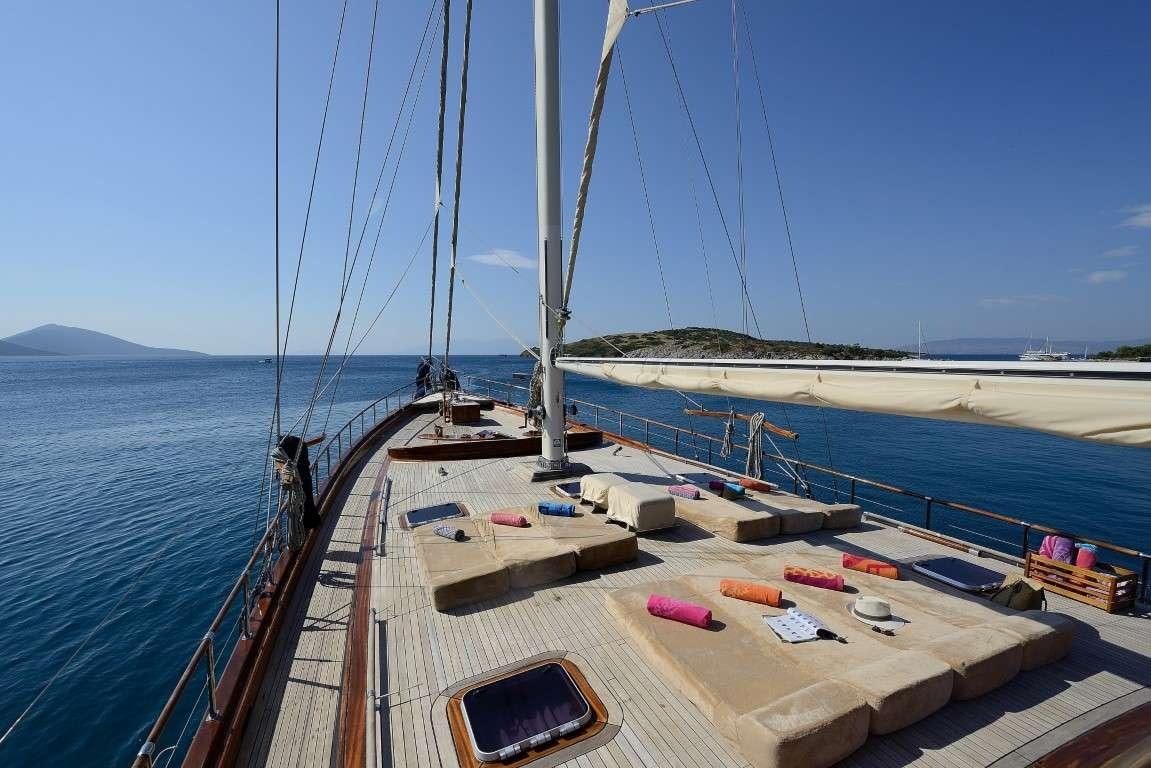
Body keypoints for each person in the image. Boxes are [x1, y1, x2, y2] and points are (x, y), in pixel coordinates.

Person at [276, 432, 325, 529]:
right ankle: (311, 522)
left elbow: (280, 465)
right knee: (306, 496)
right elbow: (302, 446)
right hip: (303, 478)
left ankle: (302, 525)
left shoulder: (282, 454)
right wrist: (319, 439)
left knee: (300, 499)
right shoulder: (299, 448)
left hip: (295, 479)